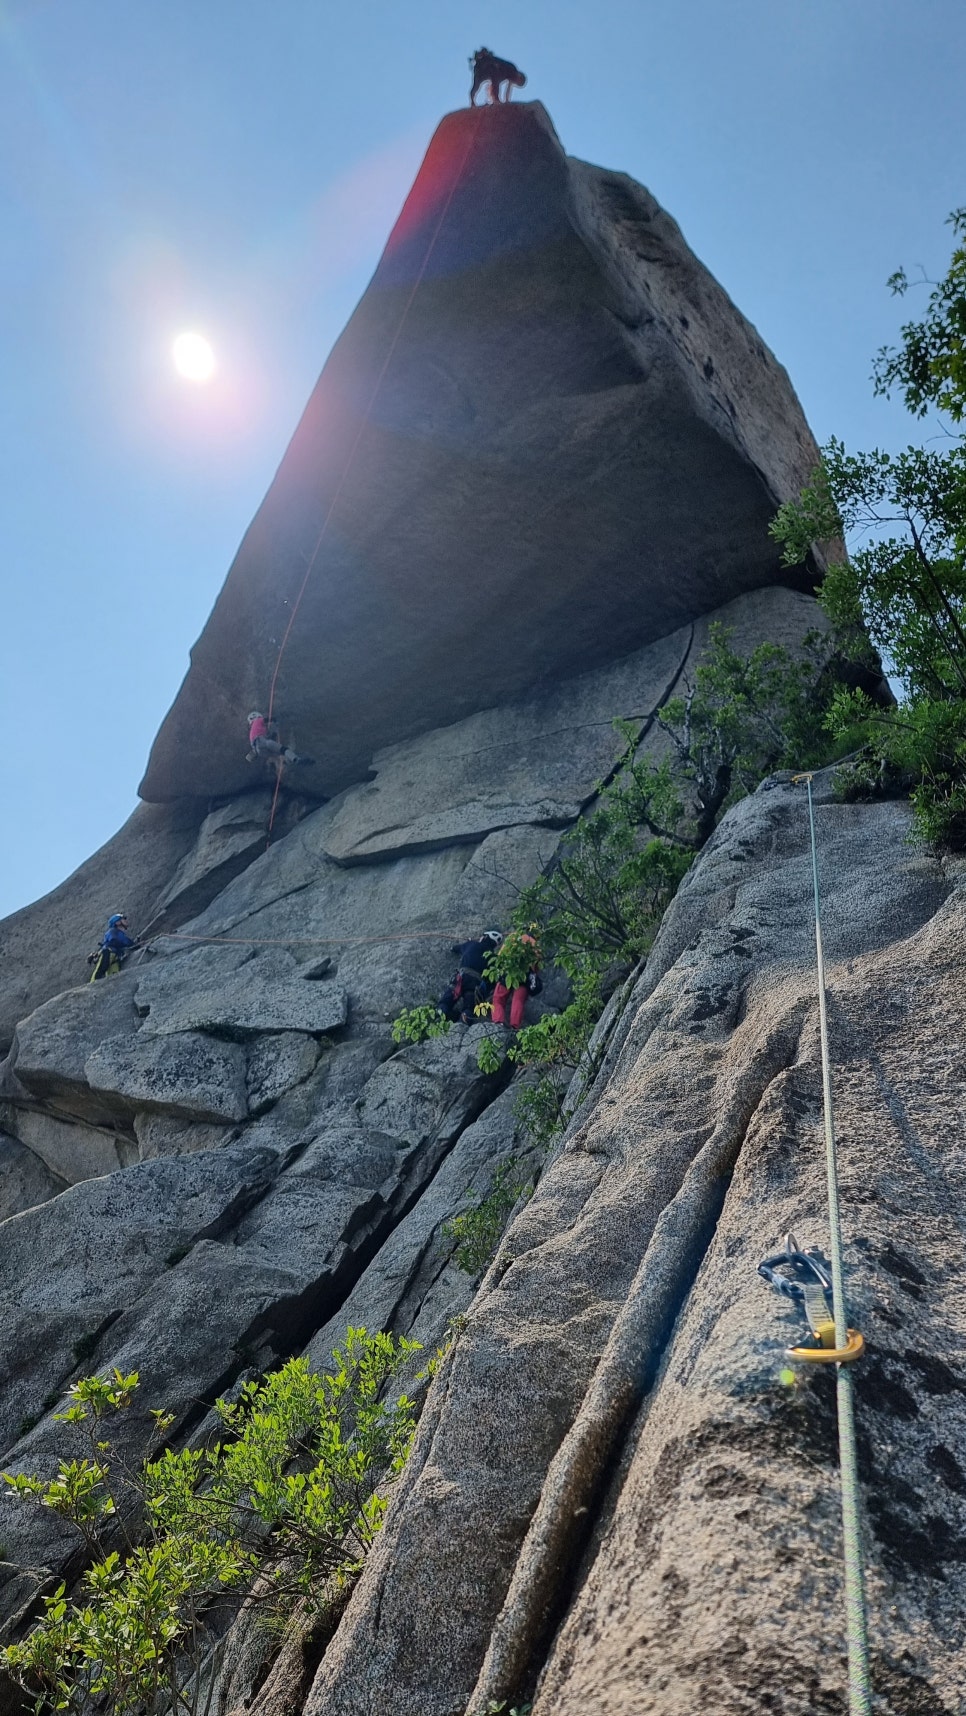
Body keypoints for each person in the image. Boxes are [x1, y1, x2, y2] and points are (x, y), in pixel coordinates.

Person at [438, 929, 503, 1023]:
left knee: (446, 1002)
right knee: (469, 1009)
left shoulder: (471, 944)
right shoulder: (494, 958)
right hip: (475, 984)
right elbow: (492, 980)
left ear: (484, 937)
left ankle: (439, 1020)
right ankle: (460, 1028)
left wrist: (467, 943)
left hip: (461, 978)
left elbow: (455, 948)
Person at [490, 927, 542, 1029]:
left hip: (509, 969)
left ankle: (498, 1021)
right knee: (518, 1000)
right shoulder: (535, 944)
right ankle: (515, 1026)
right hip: (525, 973)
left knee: (498, 999)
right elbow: (537, 966)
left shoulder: (513, 937)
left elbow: (501, 955)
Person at [247, 711, 314, 768]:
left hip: (261, 752)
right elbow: (269, 719)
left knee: (281, 752)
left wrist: (274, 733)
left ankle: (288, 762)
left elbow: (269, 740)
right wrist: (276, 720)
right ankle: (296, 760)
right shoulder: (257, 721)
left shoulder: (253, 732)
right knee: (284, 750)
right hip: (262, 742)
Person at [88, 913, 139, 982]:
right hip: (108, 953)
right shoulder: (113, 931)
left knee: (114, 977)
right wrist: (134, 944)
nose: (126, 920)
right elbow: (119, 940)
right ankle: (92, 986)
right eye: (123, 919)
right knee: (100, 971)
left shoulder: (118, 933)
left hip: (115, 956)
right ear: (117, 923)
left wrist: (134, 944)